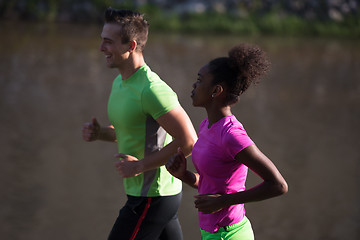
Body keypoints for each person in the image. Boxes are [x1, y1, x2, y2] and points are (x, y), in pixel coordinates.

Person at [82, 8, 197, 240]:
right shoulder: (120, 83)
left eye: (108, 42)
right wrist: (100, 133)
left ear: (131, 46)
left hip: (152, 198)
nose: (101, 48)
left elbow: (189, 141)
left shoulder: (152, 90)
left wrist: (140, 166)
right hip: (154, 197)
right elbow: (132, 132)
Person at [166, 43, 288, 240]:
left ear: (216, 91)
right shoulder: (206, 125)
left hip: (230, 234)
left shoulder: (231, 136)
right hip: (211, 233)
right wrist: (184, 175)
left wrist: (224, 201)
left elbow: (278, 185)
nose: (193, 85)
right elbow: (213, 186)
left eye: (199, 80)